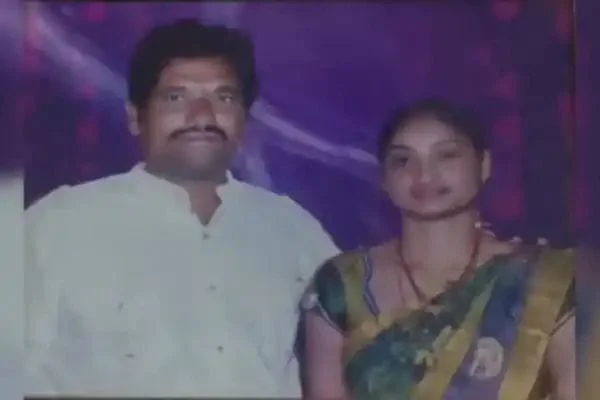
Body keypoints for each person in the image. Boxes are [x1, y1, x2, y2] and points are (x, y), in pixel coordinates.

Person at [25, 19, 338, 397]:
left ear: (244, 119)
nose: (202, 117)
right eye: (176, 98)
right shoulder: (60, 223)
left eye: (224, 98)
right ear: (135, 117)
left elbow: (359, 352)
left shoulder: (292, 229)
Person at [299, 99, 575, 400]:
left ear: (483, 166)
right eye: (403, 160)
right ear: (384, 179)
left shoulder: (548, 281)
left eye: (446, 155)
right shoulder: (340, 286)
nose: (425, 176)